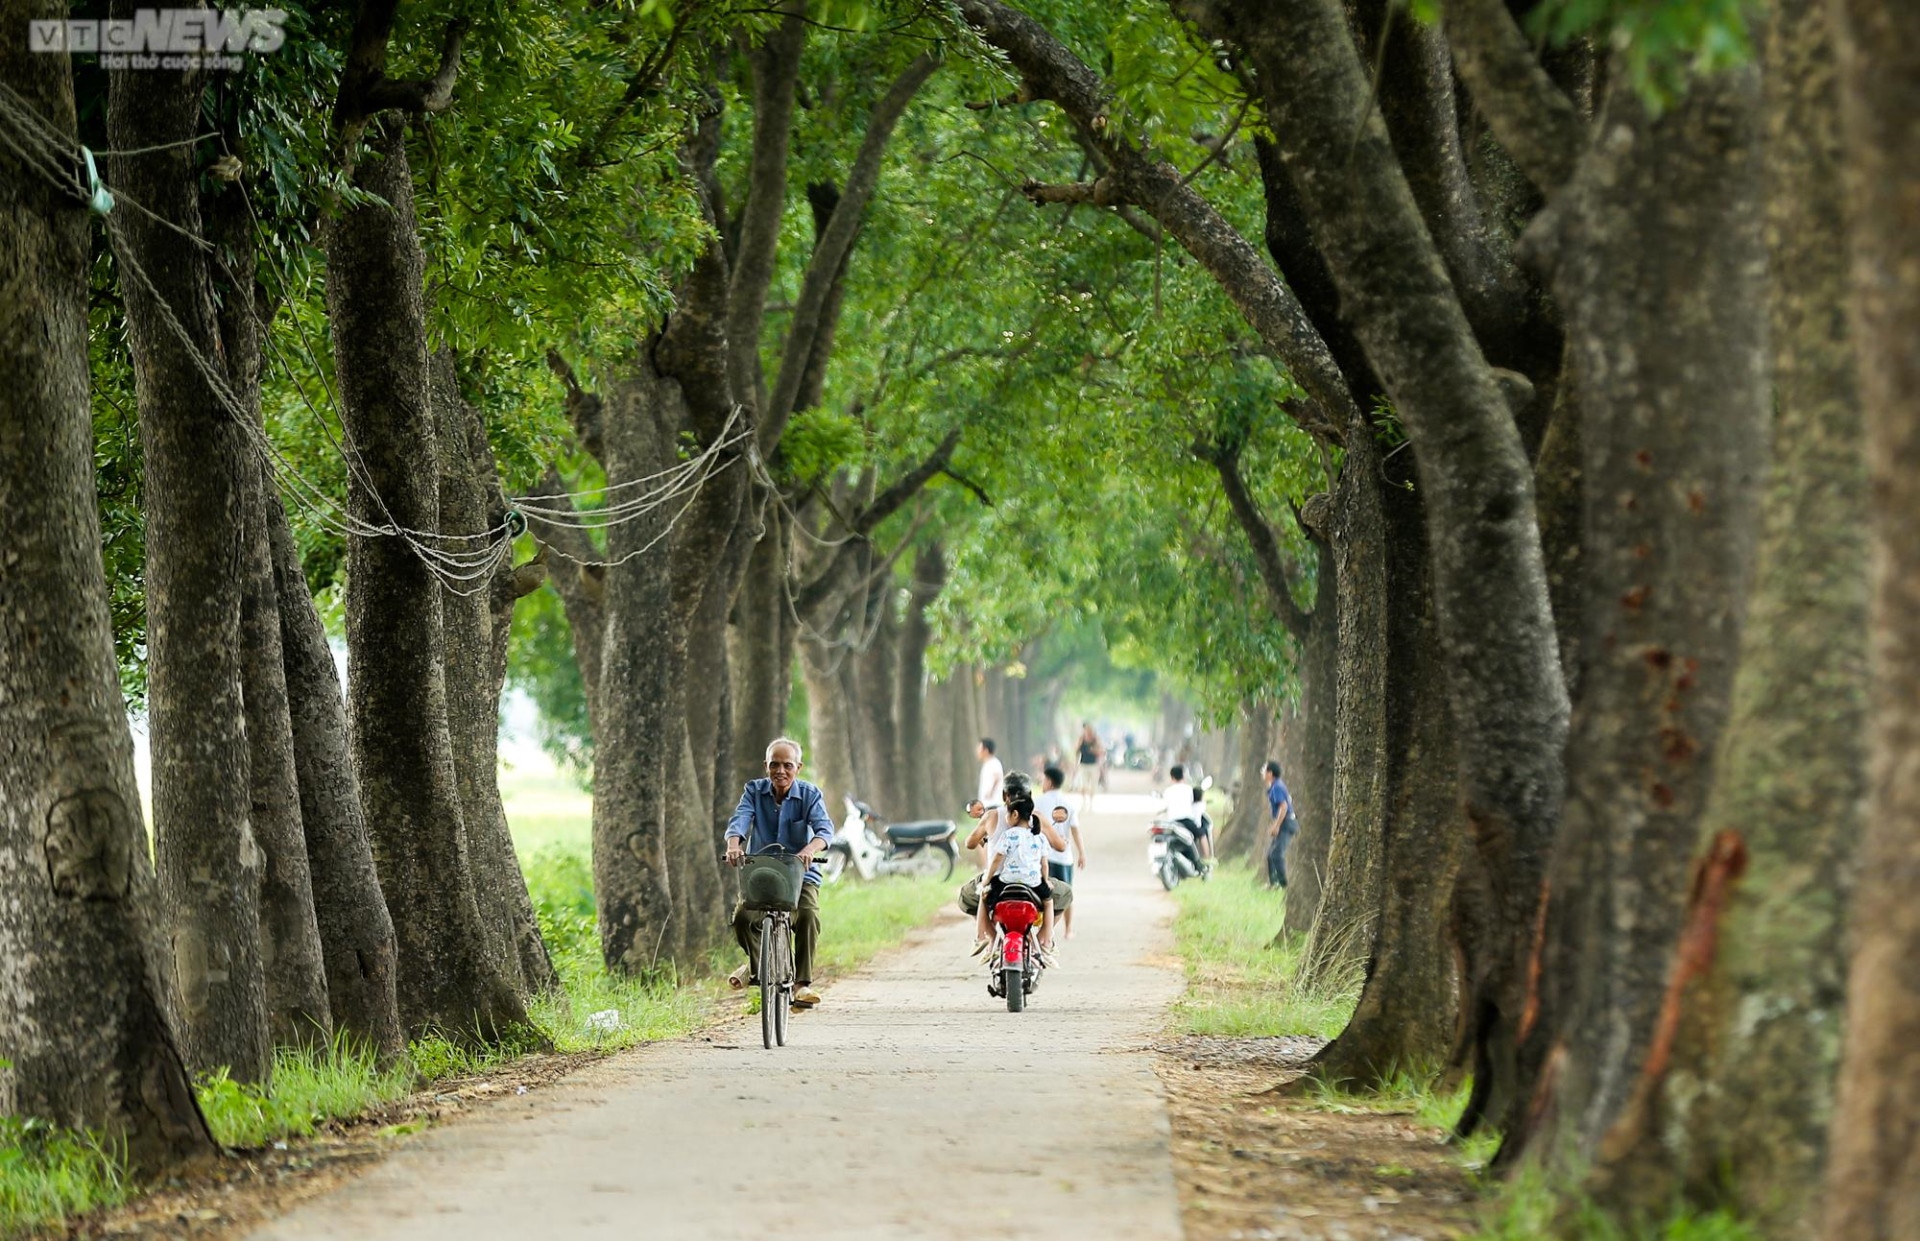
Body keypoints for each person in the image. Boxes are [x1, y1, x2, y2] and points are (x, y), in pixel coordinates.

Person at [724, 737, 833, 1009]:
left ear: (798, 767)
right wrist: (733, 845)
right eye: (774, 765)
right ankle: (756, 966)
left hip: (800, 874)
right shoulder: (753, 791)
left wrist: (809, 849)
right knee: (742, 917)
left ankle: (802, 984)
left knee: (807, 915)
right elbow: (740, 820)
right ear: (766, 766)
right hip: (761, 873)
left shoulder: (810, 794)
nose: (780, 771)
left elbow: (824, 830)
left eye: (787, 765)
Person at [969, 777, 1066, 957]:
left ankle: (983, 935)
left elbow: (994, 857)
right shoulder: (1038, 828)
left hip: (1005, 881)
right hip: (1033, 882)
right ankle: (1047, 938)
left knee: (981, 895)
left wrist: (987, 880)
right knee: (1055, 897)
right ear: (1030, 796)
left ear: (1005, 796)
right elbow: (1049, 858)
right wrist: (1045, 880)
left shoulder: (1001, 826)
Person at [1035, 765, 1087, 939]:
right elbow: (1075, 830)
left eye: (1043, 779)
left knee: (1042, 893)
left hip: (1043, 856)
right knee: (1066, 893)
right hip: (1064, 858)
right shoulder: (1069, 804)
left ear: (1049, 781)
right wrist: (1081, 853)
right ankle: (1068, 929)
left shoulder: (1038, 802)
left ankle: (1043, 928)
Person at [1162, 763, 1213, 864]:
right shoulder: (1188, 789)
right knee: (1202, 834)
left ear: (1171, 777)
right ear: (1183, 776)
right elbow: (1192, 802)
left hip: (1172, 821)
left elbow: (1166, 805)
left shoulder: (1167, 791)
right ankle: (1207, 860)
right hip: (1186, 821)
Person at [1263, 760, 1298, 889]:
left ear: (1270, 773)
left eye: (1264, 770)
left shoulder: (1277, 786)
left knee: (1276, 854)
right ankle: (1273, 883)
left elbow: (1283, 807)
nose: (1262, 772)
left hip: (1287, 824)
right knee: (1270, 855)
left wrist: (1276, 826)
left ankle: (1284, 885)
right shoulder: (1274, 786)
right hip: (1283, 822)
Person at [973, 737, 1004, 868]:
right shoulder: (988, 764)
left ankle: (988, 869)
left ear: (985, 750)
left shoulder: (993, 763)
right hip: (987, 806)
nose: (977, 751)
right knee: (985, 839)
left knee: (982, 839)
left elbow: (997, 776)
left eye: (979, 748)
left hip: (991, 806)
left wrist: (990, 792)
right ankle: (989, 868)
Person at [1071, 723, 1102, 809]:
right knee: (1083, 784)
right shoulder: (1081, 739)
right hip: (1083, 765)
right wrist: (1075, 764)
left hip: (1093, 765)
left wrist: (1093, 750)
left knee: (1093, 785)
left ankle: (1091, 803)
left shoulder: (1095, 740)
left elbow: (1101, 751)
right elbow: (1076, 751)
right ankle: (1084, 802)